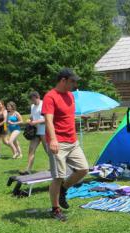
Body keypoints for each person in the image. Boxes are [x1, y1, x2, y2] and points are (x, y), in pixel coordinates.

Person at [42, 68, 89, 221]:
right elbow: (48, 120)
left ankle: (64, 189)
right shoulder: (50, 97)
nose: (75, 84)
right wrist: (53, 140)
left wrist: (80, 116)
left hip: (72, 141)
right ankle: (55, 209)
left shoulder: (70, 96)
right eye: (72, 81)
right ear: (63, 80)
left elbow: (67, 116)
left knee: (83, 169)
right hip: (59, 142)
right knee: (58, 176)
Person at [19, 91, 47, 175]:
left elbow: (47, 119)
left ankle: (58, 166)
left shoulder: (44, 104)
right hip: (35, 131)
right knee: (31, 149)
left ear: (37, 97)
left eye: (33, 99)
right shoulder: (32, 106)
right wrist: (29, 120)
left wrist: (35, 122)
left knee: (48, 150)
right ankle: (28, 170)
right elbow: (32, 117)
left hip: (44, 131)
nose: (32, 102)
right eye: (31, 100)